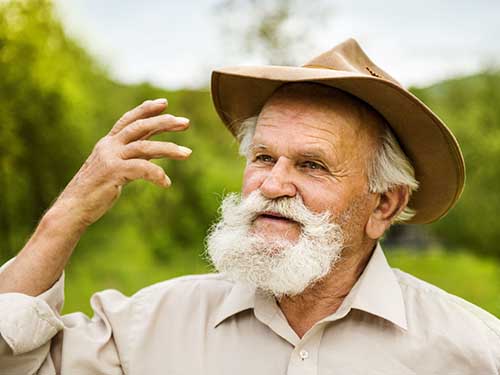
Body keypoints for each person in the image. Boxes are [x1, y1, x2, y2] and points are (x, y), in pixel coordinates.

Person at [0, 38, 498, 374]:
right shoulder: (148, 326)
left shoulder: (474, 350)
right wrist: (67, 214)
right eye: (263, 157)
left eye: (311, 165)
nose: (272, 184)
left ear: (384, 205)